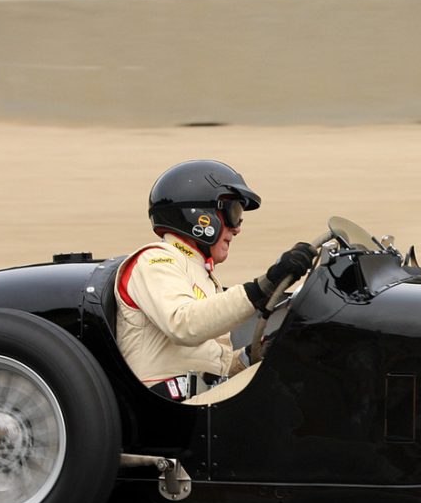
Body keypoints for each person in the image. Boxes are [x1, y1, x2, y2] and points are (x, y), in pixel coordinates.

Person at [115, 160, 316, 402]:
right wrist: (265, 285)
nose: (237, 229)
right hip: (166, 407)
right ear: (200, 216)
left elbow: (210, 367)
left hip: (201, 402)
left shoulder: (201, 274)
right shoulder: (155, 259)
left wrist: (255, 354)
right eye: (234, 214)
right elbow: (183, 324)